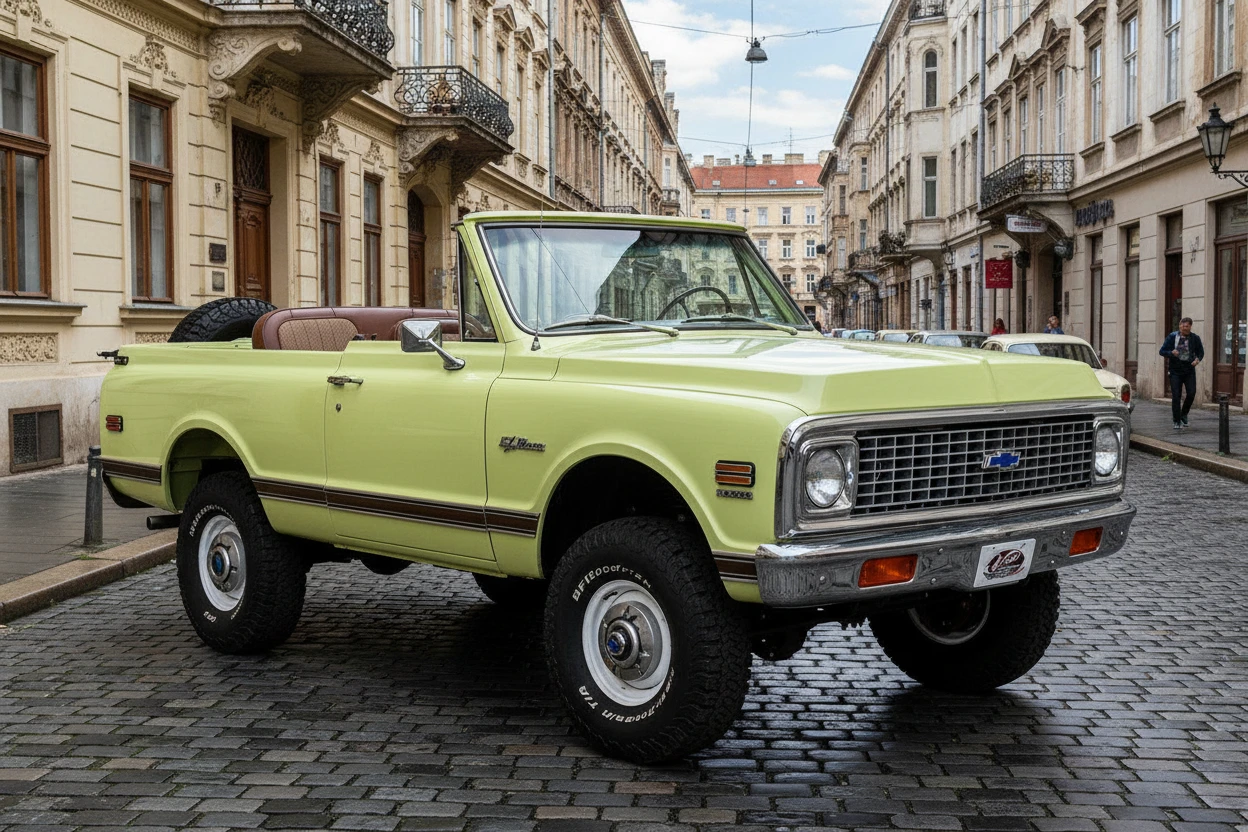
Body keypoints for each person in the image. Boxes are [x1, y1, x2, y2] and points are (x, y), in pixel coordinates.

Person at [1159, 316, 1204, 430]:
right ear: (1179, 326)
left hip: (1189, 370)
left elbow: (1200, 352)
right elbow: (1162, 351)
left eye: (1186, 326)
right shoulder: (1172, 337)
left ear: (1190, 327)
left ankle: (1184, 414)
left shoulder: (1195, 338)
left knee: (1191, 393)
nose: (1184, 328)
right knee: (1176, 396)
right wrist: (1171, 352)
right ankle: (1176, 420)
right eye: (1182, 326)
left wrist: (1197, 360)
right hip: (1175, 370)